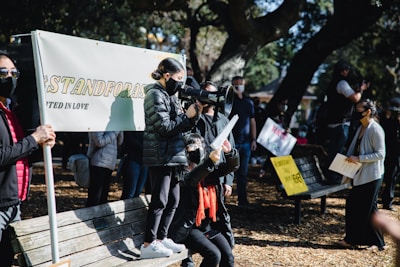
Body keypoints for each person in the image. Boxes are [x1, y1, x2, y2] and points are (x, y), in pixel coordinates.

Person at [141, 57, 202, 259]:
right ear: (167, 76)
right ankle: (149, 243)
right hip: (160, 155)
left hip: (173, 156)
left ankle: (162, 237)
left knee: (174, 200)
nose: (180, 83)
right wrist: (186, 117)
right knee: (160, 200)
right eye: (178, 78)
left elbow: (179, 127)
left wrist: (194, 116)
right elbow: (165, 128)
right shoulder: (154, 95)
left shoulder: (170, 95)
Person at [0, 51, 56, 266]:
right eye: (3, 73)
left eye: (14, 73)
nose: (9, 78)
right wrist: (33, 139)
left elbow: (21, 155)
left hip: (15, 204)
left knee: (6, 259)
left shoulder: (12, 111)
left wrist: (43, 145)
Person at [169, 133, 239, 267]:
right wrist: (209, 162)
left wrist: (230, 153)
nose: (198, 149)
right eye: (193, 145)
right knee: (214, 255)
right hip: (188, 228)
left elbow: (231, 167)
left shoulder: (209, 171)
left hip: (207, 226)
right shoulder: (180, 171)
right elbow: (192, 179)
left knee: (228, 256)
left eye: (200, 145)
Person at [335, 99, 385, 250]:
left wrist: (360, 159)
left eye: (359, 109)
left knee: (366, 209)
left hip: (372, 176)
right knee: (358, 207)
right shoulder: (361, 127)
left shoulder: (375, 129)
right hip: (361, 175)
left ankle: (373, 242)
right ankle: (354, 239)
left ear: (368, 111)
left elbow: (381, 154)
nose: (356, 112)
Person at [325, 60, 369, 184]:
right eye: (346, 70)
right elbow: (355, 98)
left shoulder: (335, 83)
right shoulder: (342, 83)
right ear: (343, 71)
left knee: (337, 150)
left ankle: (334, 176)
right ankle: (332, 177)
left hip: (337, 122)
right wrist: (361, 89)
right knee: (337, 151)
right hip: (340, 123)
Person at [229, 76, 257, 207]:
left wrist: (253, 139)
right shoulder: (229, 101)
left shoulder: (248, 102)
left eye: (240, 84)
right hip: (232, 142)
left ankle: (242, 200)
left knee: (243, 174)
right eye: (235, 84)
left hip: (246, 143)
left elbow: (252, 121)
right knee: (228, 173)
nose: (238, 86)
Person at [86, 131, 123, 207]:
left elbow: (120, 141)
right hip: (98, 162)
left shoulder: (114, 124)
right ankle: (91, 217)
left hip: (109, 163)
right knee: (95, 197)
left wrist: (120, 130)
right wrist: (114, 132)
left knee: (103, 197)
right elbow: (99, 141)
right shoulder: (98, 122)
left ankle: (101, 217)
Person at [380, 98, 400, 210]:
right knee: (382, 176)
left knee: (392, 177)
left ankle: (388, 201)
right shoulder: (384, 117)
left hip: (395, 152)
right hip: (386, 150)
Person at [119, 131, 148, 199]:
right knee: (130, 192)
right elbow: (129, 140)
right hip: (133, 158)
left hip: (144, 160)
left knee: (138, 191)